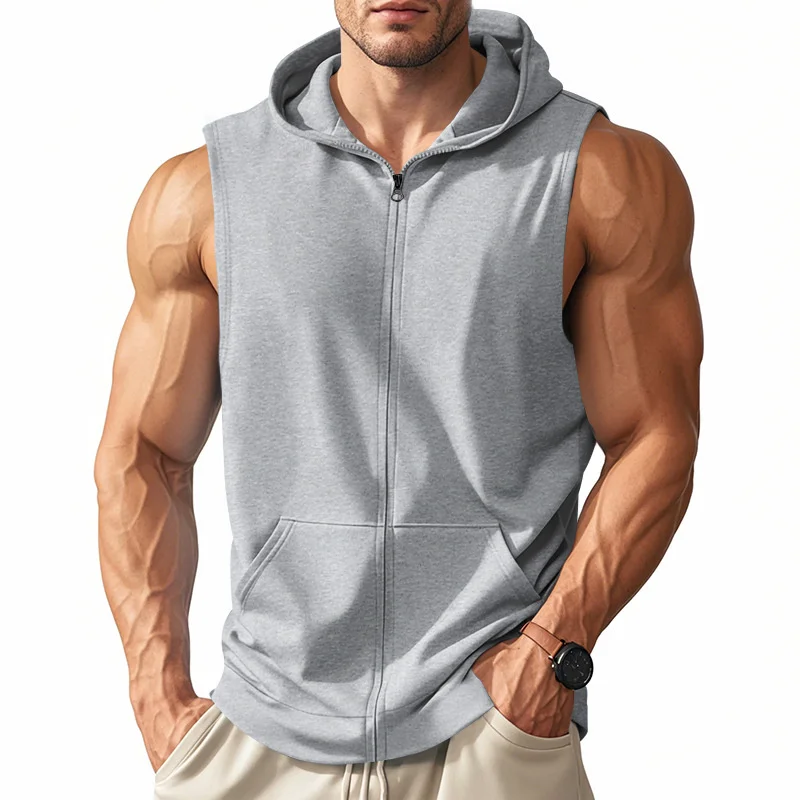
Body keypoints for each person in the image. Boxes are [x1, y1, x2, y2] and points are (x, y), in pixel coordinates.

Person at [95, 2, 702, 798]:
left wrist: (551, 654)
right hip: (257, 734)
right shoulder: (208, 188)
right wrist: (158, 698)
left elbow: (656, 433)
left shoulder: (597, 172)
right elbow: (144, 451)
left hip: (489, 727)